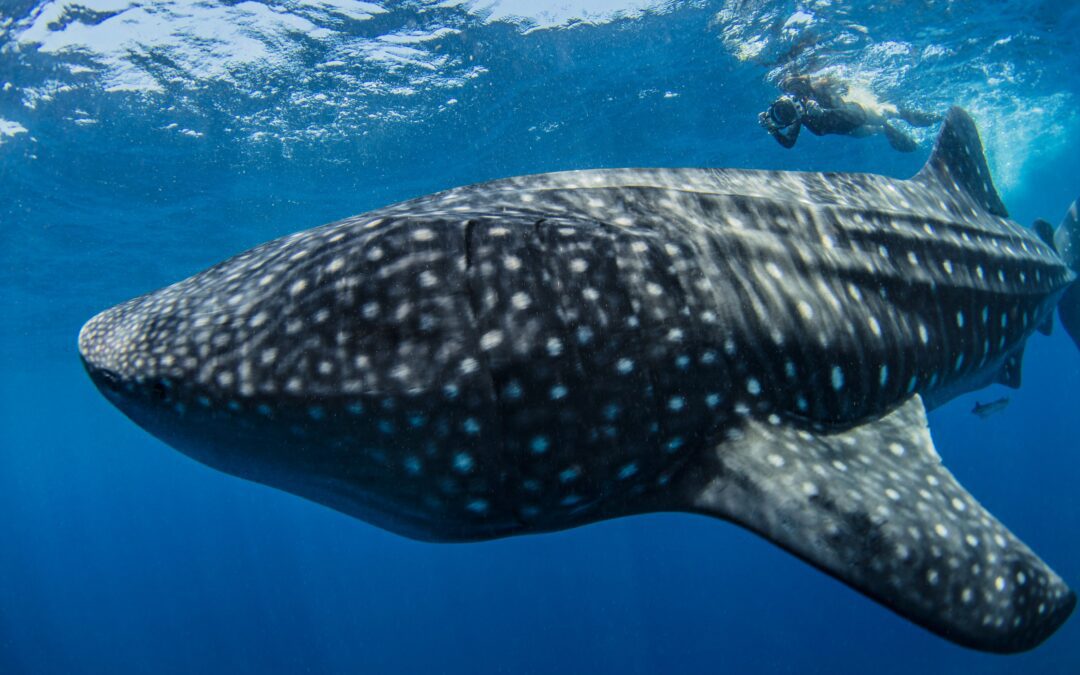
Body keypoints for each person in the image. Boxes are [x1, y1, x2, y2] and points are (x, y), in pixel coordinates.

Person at [758, 75, 940, 151]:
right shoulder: (797, 113)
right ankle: (887, 129)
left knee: (883, 113)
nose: (787, 113)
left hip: (852, 113)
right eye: (784, 115)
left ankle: (912, 117)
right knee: (876, 129)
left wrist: (824, 112)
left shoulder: (818, 88)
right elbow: (789, 143)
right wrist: (774, 129)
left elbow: (856, 114)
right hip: (845, 129)